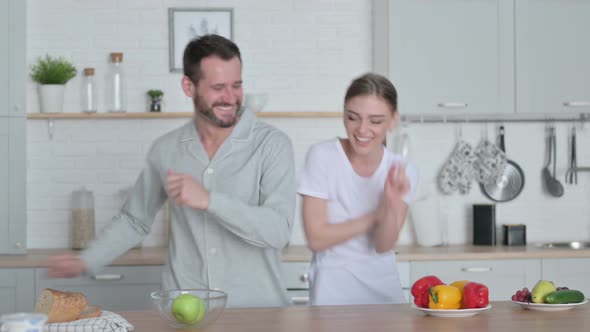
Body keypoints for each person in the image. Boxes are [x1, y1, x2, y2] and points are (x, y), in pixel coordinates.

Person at [47, 34, 296, 308]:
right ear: (189, 87)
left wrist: (210, 201)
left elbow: (278, 231)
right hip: (183, 308)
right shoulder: (166, 149)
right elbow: (134, 220)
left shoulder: (272, 145)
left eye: (237, 85)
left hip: (257, 311)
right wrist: (87, 259)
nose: (230, 97)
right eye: (218, 87)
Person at [297, 73, 419, 305]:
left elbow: (383, 245)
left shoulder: (403, 171)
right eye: (353, 118)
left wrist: (391, 205)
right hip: (331, 296)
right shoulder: (322, 156)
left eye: (375, 121)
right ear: (344, 115)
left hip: (384, 296)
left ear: (393, 121)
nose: (362, 130)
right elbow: (316, 238)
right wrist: (376, 215)